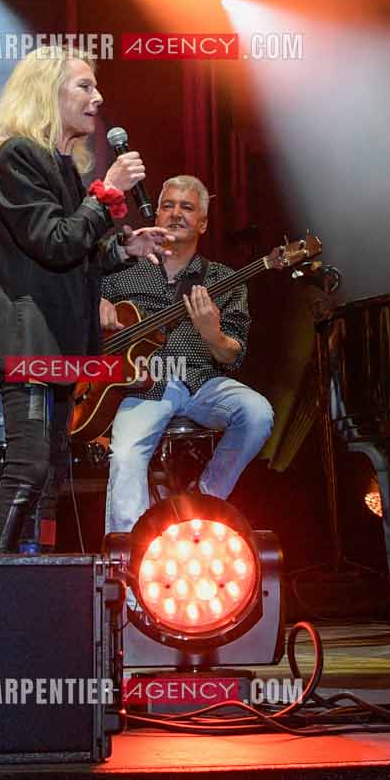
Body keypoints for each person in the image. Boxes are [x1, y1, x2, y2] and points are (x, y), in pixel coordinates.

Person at [0, 46, 170, 554]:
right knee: (29, 466)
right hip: (26, 337)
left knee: (51, 471)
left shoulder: (61, 167)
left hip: (55, 339)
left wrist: (125, 245)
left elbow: (74, 251)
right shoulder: (18, 156)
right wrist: (105, 197)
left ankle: (31, 582)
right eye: (84, 86)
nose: (98, 98)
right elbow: (53, 241)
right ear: (47, 92)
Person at [99, 175, 272, 537]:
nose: (176, 214)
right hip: (143, 386)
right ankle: (129, 571)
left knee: (257, 413)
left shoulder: (225, 278)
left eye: (188, 208)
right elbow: (82, 304)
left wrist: (214, 334)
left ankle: (203, 499)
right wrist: (94, 302)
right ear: (156, 214)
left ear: (203, 223)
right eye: (168, 205)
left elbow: (233, 356)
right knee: (127, 457)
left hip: (201, 383)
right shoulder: (123, 270)